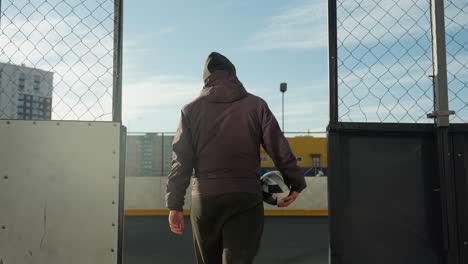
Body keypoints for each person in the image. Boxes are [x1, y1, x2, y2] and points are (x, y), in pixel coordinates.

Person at [166, 52, 307, 264]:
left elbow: (181, 160)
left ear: (206, 78)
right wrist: (295, 181)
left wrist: (174, 205)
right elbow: (279, 147)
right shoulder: (256, 105)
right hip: (246, 197)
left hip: (206, 198)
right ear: (234, 75)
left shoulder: (190, 110)